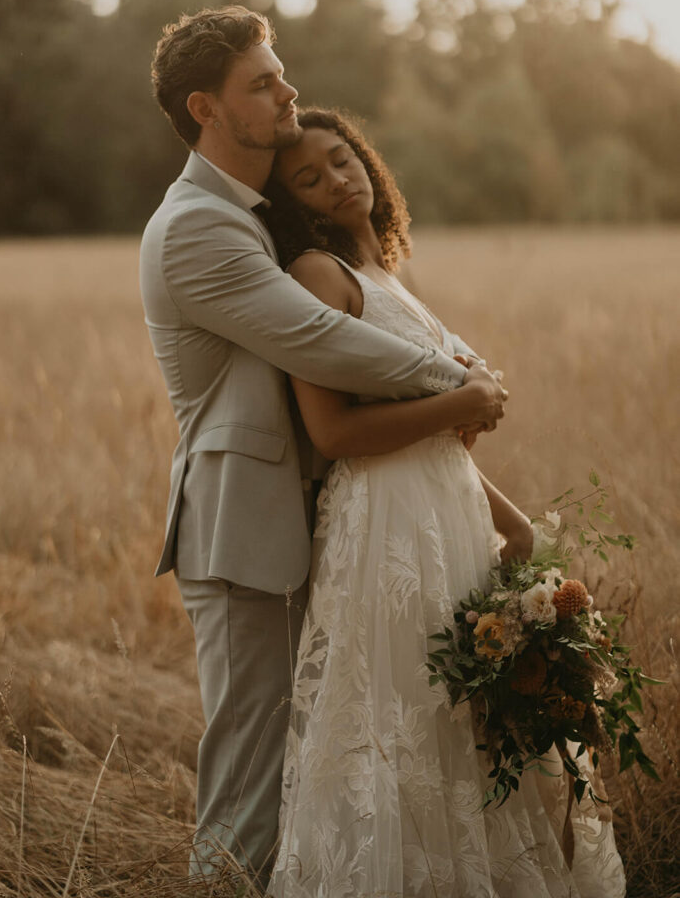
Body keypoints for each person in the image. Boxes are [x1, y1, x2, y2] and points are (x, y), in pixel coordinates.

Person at [139, 6, 508, 889]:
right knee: (248, 775)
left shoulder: (252, 215)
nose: (285, 90)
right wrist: (455, 381)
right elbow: (317, 339)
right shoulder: (195, 225)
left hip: (310, 521)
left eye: (280, 73)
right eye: (260, 84)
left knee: (299, 766)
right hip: (241, 529)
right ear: (206, 108)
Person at [263, 108, 627, 897]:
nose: (336, 177)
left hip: (448, 512)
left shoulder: (391, 274)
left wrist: (515, 523)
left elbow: (442, 434)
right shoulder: (317, 275)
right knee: (407, 713)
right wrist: (466, 397)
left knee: (468, 714)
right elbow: (332, 432)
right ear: (295, 203)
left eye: (341, 157)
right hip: (386, 521)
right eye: (309, 176)